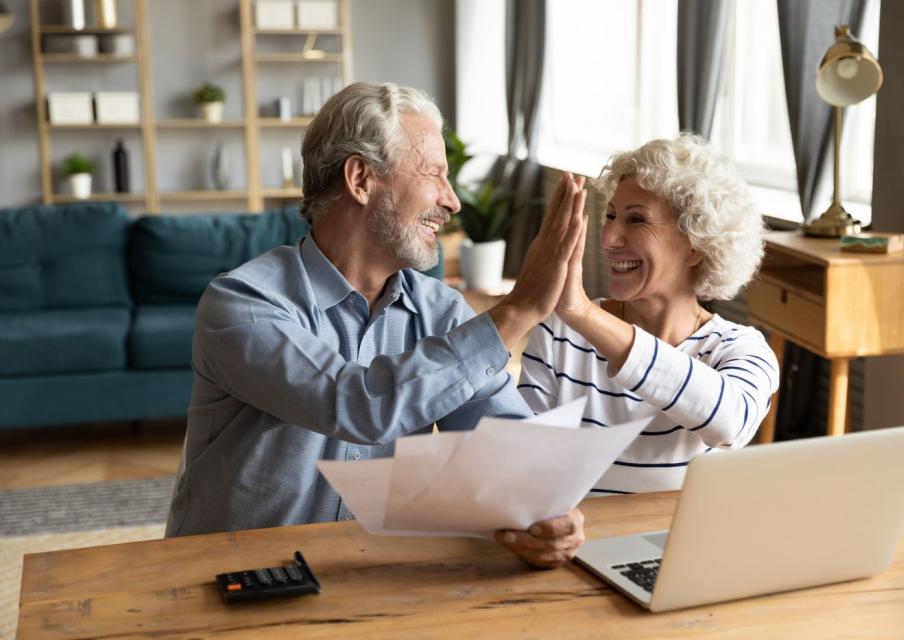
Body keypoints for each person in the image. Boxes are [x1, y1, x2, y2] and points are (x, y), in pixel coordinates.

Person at [165, 82, 588, 568]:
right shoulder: (242, 303)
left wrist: (545, 508)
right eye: (434, 174)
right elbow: (357, 405)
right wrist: (516, 312)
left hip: (364, 574)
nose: (451, 202)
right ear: (361, 179)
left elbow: (502, 439)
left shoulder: (440, 311)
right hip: (230, 579)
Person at [519, 133, 779, 494]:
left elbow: (730, 423)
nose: (609, 237)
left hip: (683, 547)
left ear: (696, 246)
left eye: (636, 220)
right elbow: (523, 465)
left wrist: (582, 313)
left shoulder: (739, 349)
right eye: (610, 215)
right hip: (577, 543)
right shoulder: (560, 333)